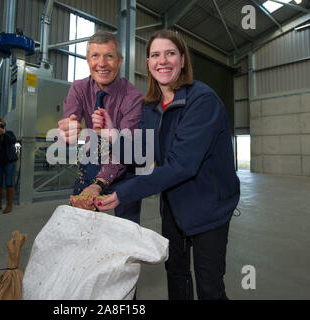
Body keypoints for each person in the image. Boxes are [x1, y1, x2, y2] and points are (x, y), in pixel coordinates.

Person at [96, 30, 240, 300]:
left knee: (209, 285)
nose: (163, 61)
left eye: (170, 53)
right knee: (176, 276)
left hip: (209, 207)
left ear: (183, 60)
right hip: (173, 207)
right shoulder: (151, 106)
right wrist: (113, 134)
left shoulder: (201, 101)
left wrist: (124, 194)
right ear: (148, 64)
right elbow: (141, 153)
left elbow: (181, 166)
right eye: (155, 55)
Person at [58, 31, 144, 224]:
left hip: (126, 162)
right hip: (92, 159)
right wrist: (66, 135)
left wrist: (98, 185)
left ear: (120, 61)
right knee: (78, 221)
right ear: (88, 61)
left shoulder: (134, 97)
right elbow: (66, 132)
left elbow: (127, 150)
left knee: (127, 229)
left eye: (109, 56)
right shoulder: (79, 88)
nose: (102, 63)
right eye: (95, 56)